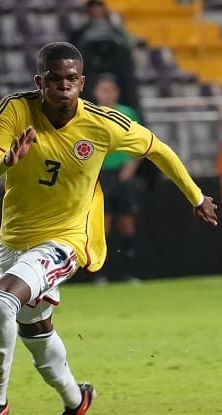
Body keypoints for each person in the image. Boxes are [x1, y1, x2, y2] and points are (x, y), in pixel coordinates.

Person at [0, 42, 218, 415]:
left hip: (67, 239)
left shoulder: (103, 123)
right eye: (54, 79)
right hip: (13, 241)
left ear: (82, 83)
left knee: (0, 302)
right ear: (39, 82)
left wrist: (196, 196)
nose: (63, 86)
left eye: (71, 79)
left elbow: (158, 149)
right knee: (35, 333)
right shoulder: (14, 110)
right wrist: (6, 161)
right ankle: (76, 400)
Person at [91, 73, 144, 284]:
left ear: (117, 93)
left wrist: (131, 166)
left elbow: (142, 143)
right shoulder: (90, 115)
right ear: (96, 93)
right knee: (103, 224)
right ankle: (101, 274)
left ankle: (129, 272)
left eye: (110, 90)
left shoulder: (127, 114)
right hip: (100, 175)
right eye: (103, 90)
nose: (107, 95)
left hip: (123, 173)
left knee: (126, 222)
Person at [68, 0, 141, 118]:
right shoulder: (80, 32)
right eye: (93, 9)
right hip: (89, 75)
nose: (96, 12)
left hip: (117, 73)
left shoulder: (116, 31)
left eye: (98, 9)